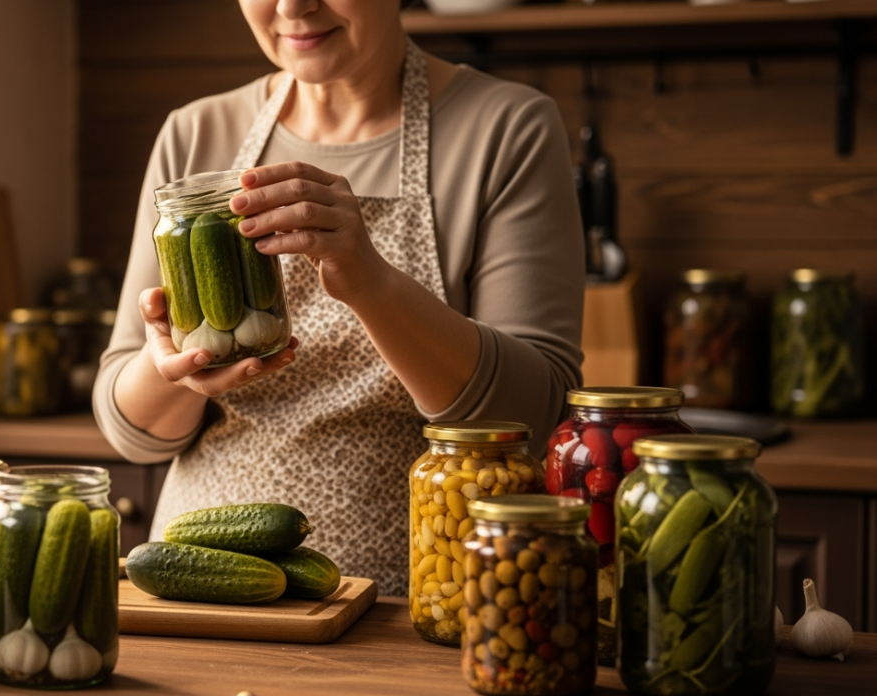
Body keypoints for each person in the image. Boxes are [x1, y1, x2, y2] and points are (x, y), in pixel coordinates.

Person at [93, 0, 583, 595]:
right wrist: (172, 370)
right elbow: (132, 432)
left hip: (433, 593)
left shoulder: (507, 128)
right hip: (211, 594)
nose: (292, 5)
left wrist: (371, 283)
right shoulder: (196, 135)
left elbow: (537, 414)